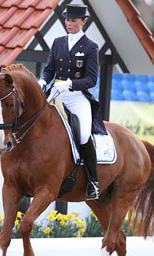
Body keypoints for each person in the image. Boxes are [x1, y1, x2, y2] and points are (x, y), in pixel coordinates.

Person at [38, 4, 106, 200]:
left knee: (84, 134)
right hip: (55, 92)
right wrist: (43, 80)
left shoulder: (91, 47)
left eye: (74, 21)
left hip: (76, 96)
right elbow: (50, 69)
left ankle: (93, 181)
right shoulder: (58, 42)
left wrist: (70, 84)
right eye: (67, 20)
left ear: (83, 22)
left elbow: (92, 79)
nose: (69, 24)